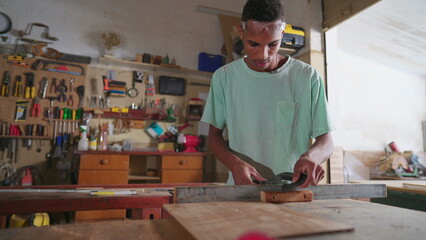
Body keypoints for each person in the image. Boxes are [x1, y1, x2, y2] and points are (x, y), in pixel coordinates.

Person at [200, 0, 335, 187]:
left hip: (293, 189)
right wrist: (235, 164)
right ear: (241, 32)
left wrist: (311, 157)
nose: (263, 55)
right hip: (242, 188)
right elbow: (214, 137)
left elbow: (326, 141)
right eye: (253, 44)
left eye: (273, 44)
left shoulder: (307, 77)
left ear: (282, 33)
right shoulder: (224, 78)